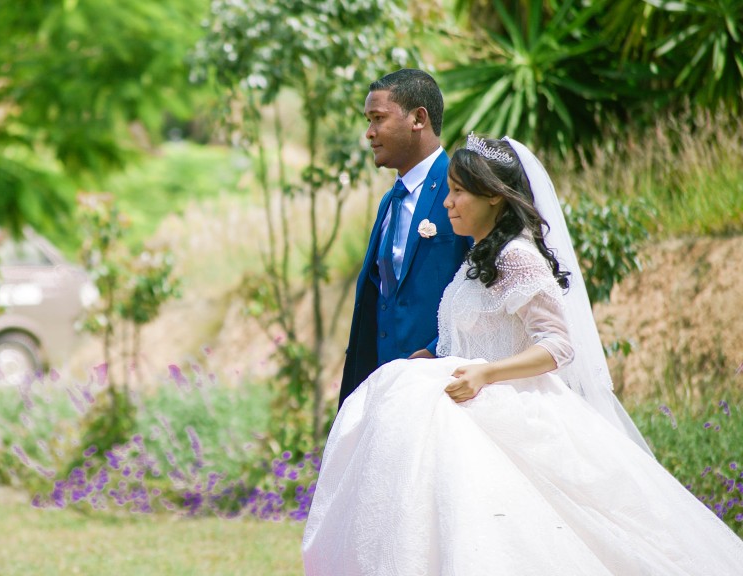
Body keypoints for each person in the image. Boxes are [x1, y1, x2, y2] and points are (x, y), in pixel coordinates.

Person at [302, 134, 743, 575]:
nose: (448, 203)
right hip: (463, 408)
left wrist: (485, 374)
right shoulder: (479, 257)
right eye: (449, 191)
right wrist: (430, 356)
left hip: (507, 411)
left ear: (493, 195)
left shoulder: (518, 256)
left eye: (458, 192)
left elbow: (557, 344)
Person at [339, 69, 472, 408]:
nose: (369, 133)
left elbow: (486, 289)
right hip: (385, 388)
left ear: (418, 118)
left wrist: (435, 350)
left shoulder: (463, 190)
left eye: (378, 119)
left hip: (443, 390)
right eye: (368, 121)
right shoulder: (389, 202)